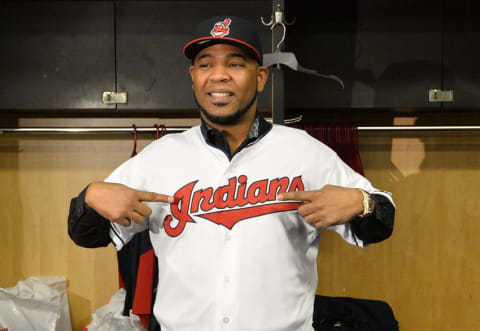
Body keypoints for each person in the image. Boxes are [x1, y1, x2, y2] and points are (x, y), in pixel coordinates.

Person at [68, 15, 395, 331]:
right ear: (193, 76)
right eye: (206, 64)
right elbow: (88, 235)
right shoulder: (159, 158)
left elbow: (380, 221)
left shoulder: (304, 152)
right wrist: (90, 197)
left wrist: (362, 203)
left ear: (261, 77)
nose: (219, 75)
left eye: (235, 64)